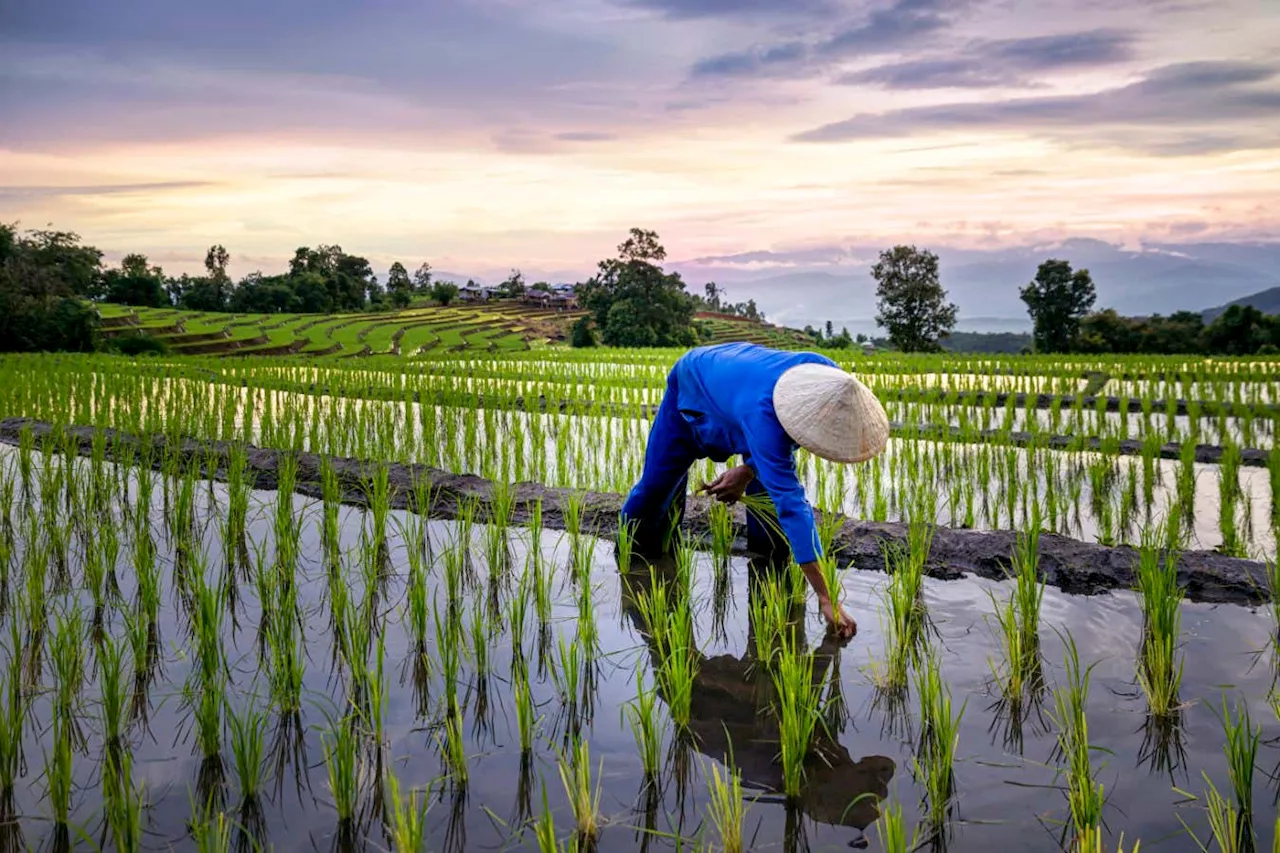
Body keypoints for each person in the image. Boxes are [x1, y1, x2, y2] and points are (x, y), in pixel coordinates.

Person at [619, 341, 889, 640]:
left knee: (769, 511)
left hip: (742, 392)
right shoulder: (764, 416)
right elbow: (792, 504)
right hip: (695, 382)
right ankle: (633, 559)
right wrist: (827, 598)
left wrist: (747, 470)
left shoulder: (829, 380)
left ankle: (769, 567)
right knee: (656, 490)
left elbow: (785, 439)